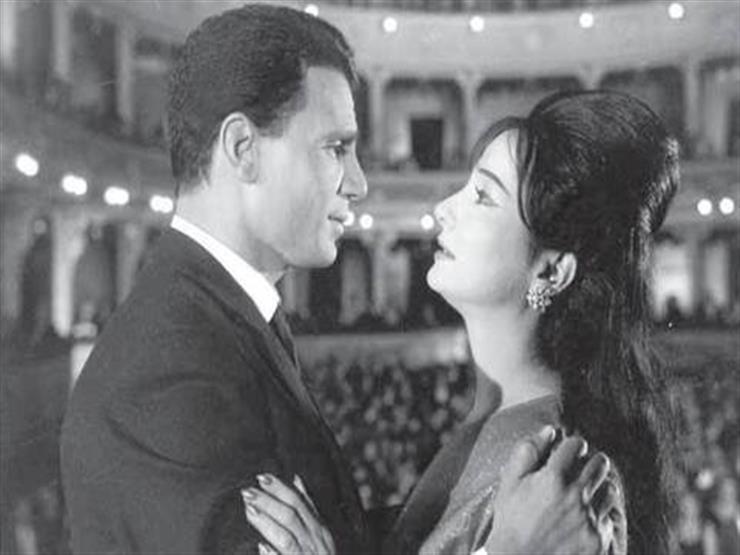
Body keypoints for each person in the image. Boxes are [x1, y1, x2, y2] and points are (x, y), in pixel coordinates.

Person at [61, 5, 609, 554]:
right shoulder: (166, 370)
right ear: (243, 149)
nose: (359, 182)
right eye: (336, 148)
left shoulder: (222, 316)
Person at [242, 90, 679, 554]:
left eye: (483, 196)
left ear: (551, 271)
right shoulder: (498, 421)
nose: (444, 208)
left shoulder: (554, 474)